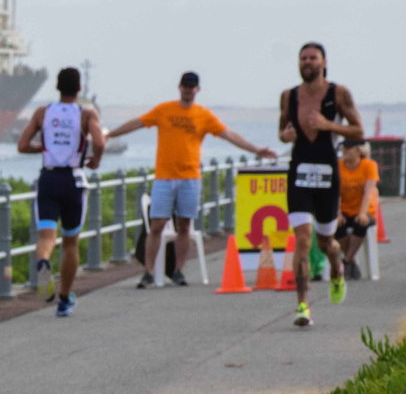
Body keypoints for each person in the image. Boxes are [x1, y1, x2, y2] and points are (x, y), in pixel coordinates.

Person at [105, 72, 276, 288]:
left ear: (197, 89)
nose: (188, 89)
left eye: (191, 86)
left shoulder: (203, 115)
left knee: (185, 225)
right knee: (157, 224)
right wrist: (109, 134)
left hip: (190, 178)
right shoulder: (164, 110)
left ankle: (178, 270)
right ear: (179, 87)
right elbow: (137, 123)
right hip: (164, 178)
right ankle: (148, 272)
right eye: (185, 85)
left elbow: (229, 134)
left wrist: (256, 149)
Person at [278, 42, 364, 327]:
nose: (307, 62)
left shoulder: (338, 93)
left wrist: (329, 126)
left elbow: (358, 130)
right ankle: (303, 306)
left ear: (324, 62)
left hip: (327, 174)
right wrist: (286, 136)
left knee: (327, 241)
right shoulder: (288, 96)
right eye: (303, 58)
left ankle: (337, 269)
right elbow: (282, 131)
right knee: (302, 238)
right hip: (299, 173)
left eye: (313, 58)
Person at [16, 66, 106, 317]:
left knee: (46, 237)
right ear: (79, 89)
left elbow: (22, 145)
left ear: (57, 87)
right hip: (73, 182)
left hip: (48, 179)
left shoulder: (43, 113)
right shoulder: (86, 114)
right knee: (70, 243)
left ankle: (43, 261)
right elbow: (99, 142)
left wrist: (44, 149)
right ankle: (65, 298)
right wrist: (95, 160)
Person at [336, 138, 379, 280]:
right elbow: (335, 193)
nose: (345, 151)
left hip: (364, 209)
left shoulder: (369, 165)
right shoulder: (338, 166)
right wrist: (337, 213)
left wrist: (362, 213)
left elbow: (368, 191)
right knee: (336, 226)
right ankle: (351, 261)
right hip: (345, 209)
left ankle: (347, 260)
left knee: (361, 223)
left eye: (349, 148)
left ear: (358, 151)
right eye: (343, 148)